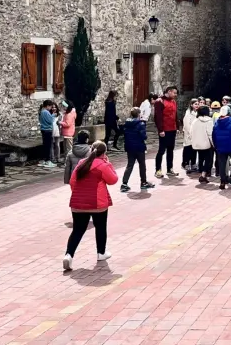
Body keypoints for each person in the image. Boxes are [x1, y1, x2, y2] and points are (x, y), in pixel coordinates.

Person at [63, 141, 117, 271]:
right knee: (100, 227)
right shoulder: (103, 165)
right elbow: (113, 180)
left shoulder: (82, 163)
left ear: (90, 150)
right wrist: (108, 163)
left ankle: (68, 255)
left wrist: (79, 194)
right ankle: (101, 253)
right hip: (97, 203)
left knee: (77, 230)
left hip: (78, 203)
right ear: (104, 153)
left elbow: (72, 181)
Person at [122, 107, 153, 192]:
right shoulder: (140, 124)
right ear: (139, 114)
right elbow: (144, 136)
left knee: (130, 165)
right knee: (142, 165)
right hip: (139, 147)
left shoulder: (126, 123)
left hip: (129, 146)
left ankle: (124, 183)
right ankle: (143, 182)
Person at [212, 104, 231, 188]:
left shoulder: (217, 122)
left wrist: (216, 145)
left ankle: (223, 181)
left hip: (220, 147)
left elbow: (213, 135)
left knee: (222, 165)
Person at [153, 86, 179, 178]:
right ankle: (158, 170)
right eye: (174, 93)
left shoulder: (173, 101)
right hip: (164, 130)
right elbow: (157, 117)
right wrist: (160, 130)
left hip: (172, 129)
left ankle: (170, 168)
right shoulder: (159, 101)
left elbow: (175, 115)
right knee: (161, 150)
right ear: (169, 91)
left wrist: (177, 126)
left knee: (171, 150)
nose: (175, 95)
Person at [190, 104, 216, 184]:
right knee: (208, 160)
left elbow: (191, 133)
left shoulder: (195, 121)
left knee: (201, 159)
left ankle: (201, 173)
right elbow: (210, 134)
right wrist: (214, 144)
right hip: (206, 144)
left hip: (197, 144)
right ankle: (203, 174)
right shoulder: (209, 121)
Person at [181, 98, 200, 173]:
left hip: (196, 134)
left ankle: (193, 163)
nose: (197, 105)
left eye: (198, 104)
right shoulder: (188, 113)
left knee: (194, 149)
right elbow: (186, 125)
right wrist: (190, 133)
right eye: (195, 104)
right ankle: (185, 163)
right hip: (189, 134)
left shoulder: (198, 112)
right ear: (191, 105)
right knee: (188, 149)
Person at [39, 101, 56, 168]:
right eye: (50, 106)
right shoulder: (45, 112)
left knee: (45, 145)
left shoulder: (41, 111)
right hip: (47, 130)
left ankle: (45, 160)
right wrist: (53, 114)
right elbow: (50, 120)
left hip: (43, 130)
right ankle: (48, 160)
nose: (51, 108)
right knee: (48, 146)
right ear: (47, 106)